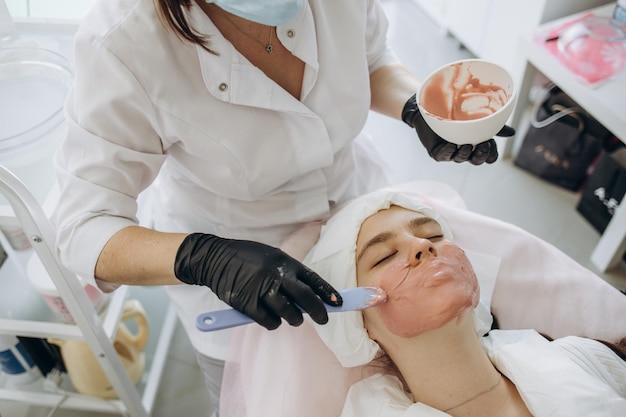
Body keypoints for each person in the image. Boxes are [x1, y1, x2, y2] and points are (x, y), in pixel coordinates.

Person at [52, 0, 514, 412]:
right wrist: (205, 258)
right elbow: (83, 227)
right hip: (243, 281)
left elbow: (370, 61)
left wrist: (417, 107)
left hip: (355, 204)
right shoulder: (121, 45)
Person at [219, 181, 626, 417]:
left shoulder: (582, 356)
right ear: (357, 322)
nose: (420, 247)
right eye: (384, 255)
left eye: (433, 235)